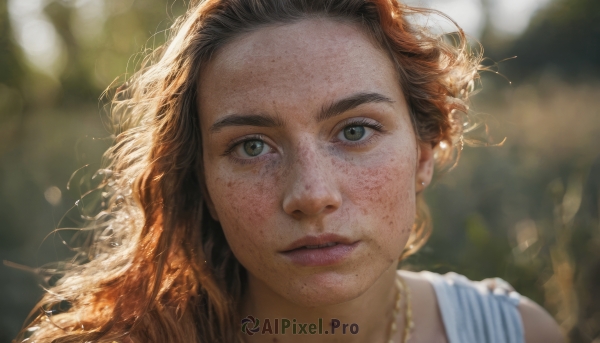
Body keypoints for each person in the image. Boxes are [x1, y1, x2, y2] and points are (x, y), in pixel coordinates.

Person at [17, 0, 565, 342]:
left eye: (355, 131)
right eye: (251, 145)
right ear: (203, 184)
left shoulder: (516, 333)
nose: (311, 194)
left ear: (424, 152)